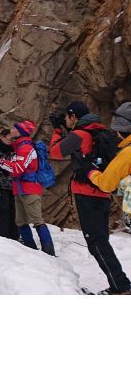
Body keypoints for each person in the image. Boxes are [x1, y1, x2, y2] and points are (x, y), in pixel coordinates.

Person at [49, 100, 130, 294]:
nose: (65, 120)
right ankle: (120, 283)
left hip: (88, 193)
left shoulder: (79, 134)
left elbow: (55, 152)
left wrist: (57, 131)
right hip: (102, 194)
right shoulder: (100, 132)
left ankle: (121, 286)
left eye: (67, 117)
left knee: (96, 242)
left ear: (73, 117)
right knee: (100, 240)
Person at [79, 102, 131, 294]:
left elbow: (106, 184)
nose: (115, 134)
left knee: (97, 241)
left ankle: (121, 288)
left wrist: (90, 170)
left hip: (94, 195)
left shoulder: (126, 153)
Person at [0, 121, 55, 255]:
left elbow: (17, 169)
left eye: (14, 128)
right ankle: (31, 250)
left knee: (37, 221)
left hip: (30, 190)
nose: (11, 130)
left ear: (19, 132)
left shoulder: (26, 148)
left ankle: (49, 252)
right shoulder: (18, 147)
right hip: (20, 189)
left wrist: (0, 162)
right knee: (21, 221)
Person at [0, 129, 19, 240]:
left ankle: (14, 236)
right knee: (5, 209)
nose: (10, 141)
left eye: (12, 139)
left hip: (13, 184)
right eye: (8, 138)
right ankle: (3, 237)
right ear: (1, 136)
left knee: (14, 210)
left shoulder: (13, 149)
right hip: (1, 184)